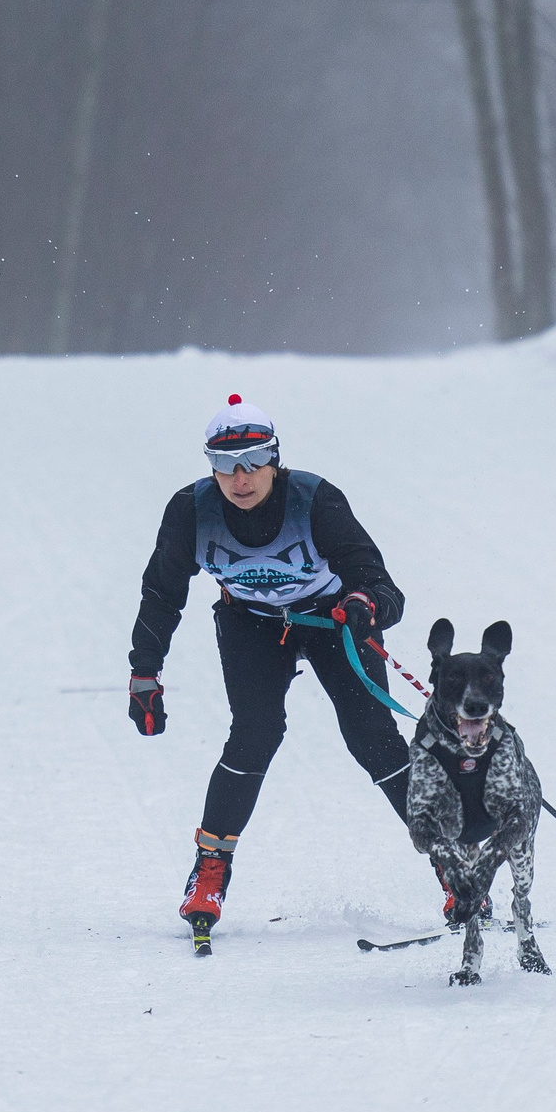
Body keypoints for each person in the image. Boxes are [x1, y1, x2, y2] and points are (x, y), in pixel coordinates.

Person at [127, 395, 411, 943]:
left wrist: (363, 606)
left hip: (331, 621)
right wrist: (146, 672)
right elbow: (162, 593)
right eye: (225, 464)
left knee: (372, 736)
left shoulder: (316, 500)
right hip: (251, 624)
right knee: (255, 733)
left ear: (276, 460)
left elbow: (383, 586)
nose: (240, 478)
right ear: (210, 466)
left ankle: (453, 862)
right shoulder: (191, 509)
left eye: (254, 461)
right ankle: (211, 869)